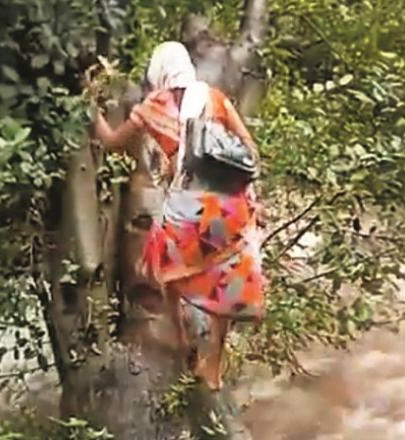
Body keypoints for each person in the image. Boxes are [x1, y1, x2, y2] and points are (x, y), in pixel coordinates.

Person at [92, 41, 265, 390]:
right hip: (230, 206)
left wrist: (88, 106)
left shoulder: (152, 106)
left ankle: (181, 336)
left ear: (159, 72)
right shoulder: (215, 98)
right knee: (224, 274)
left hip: (190, 208)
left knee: (166, 270)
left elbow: (111, 141)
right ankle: (213, 363)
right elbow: (250, 148)